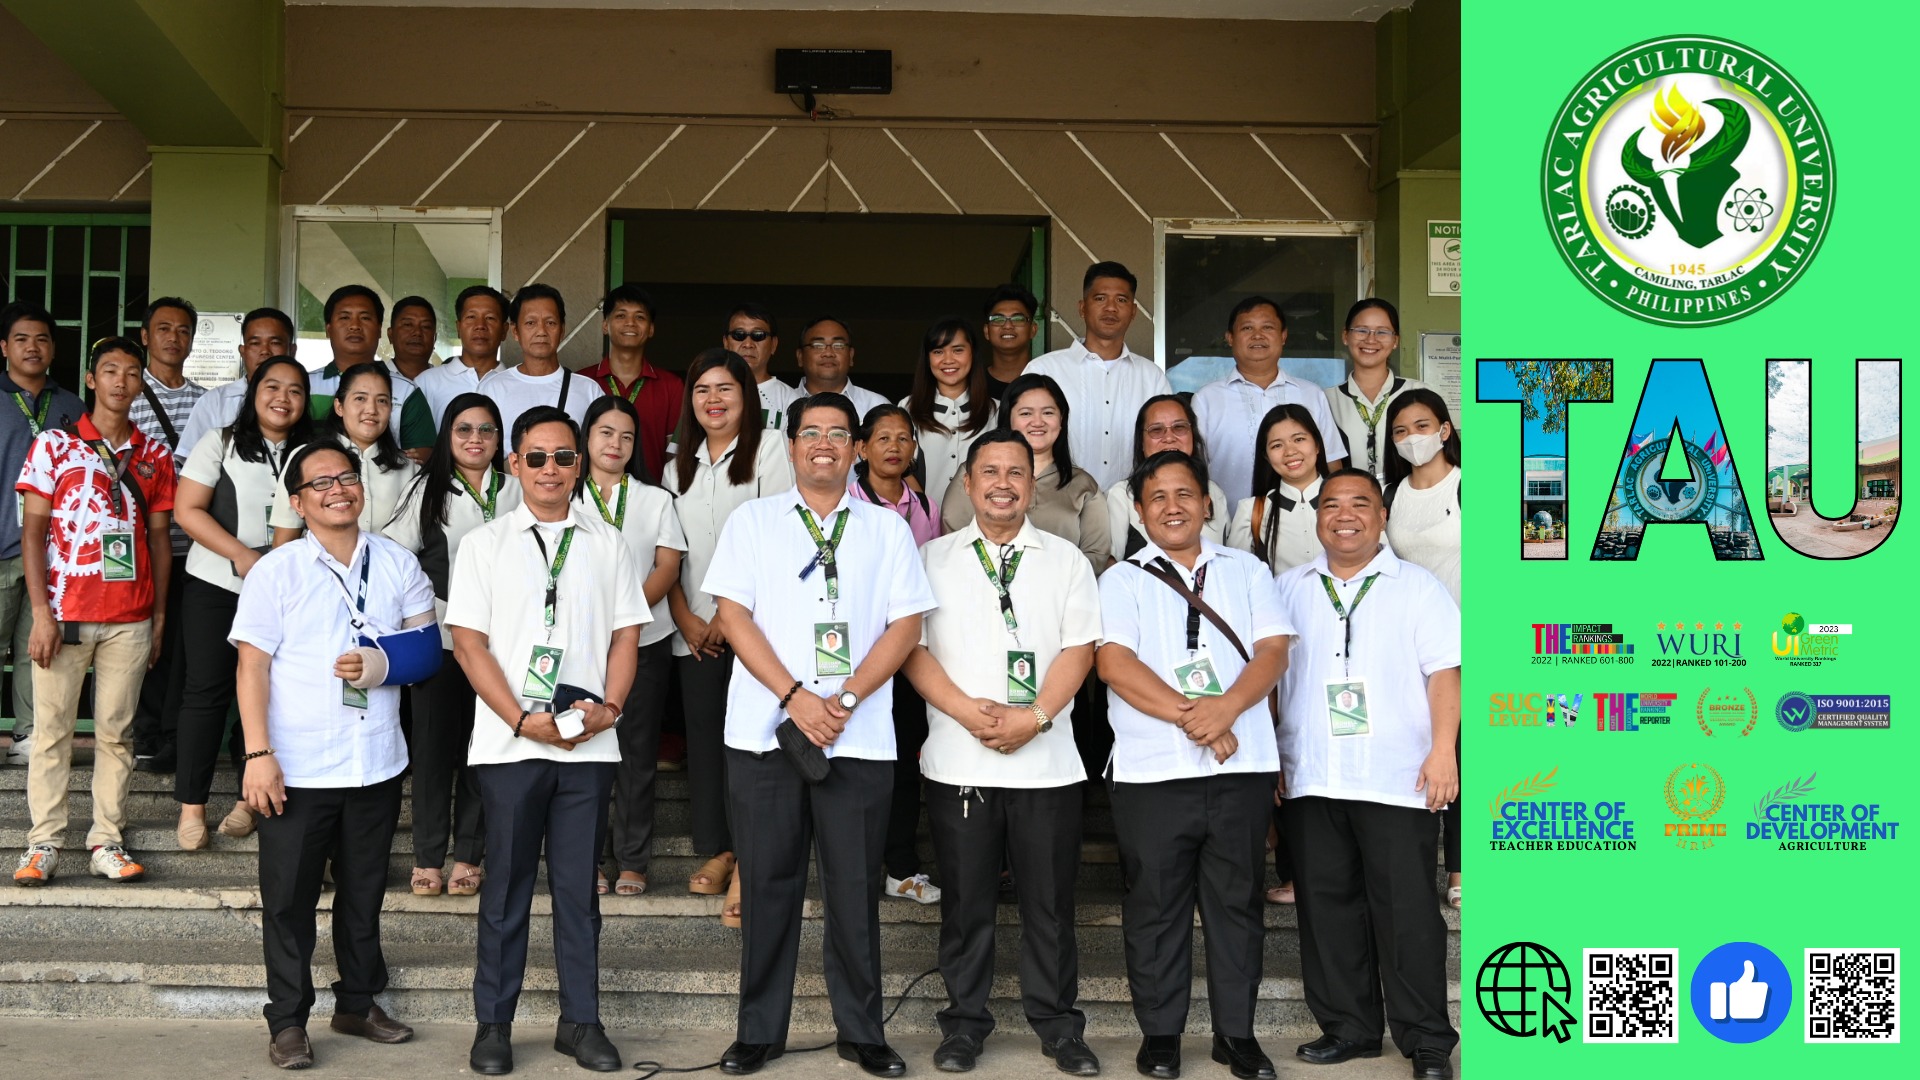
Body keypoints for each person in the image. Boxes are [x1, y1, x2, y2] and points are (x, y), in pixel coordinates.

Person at [704, 391, 936, 1079]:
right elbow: (733, 615)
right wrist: (795, 697)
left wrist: (851, 695)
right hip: (766, 734)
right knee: (768, 885)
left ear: (858, 448)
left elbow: (906, 627)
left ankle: (862, 1033)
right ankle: (758, 1031)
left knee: (855, 889)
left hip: (857, 738)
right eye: (811, 433)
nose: (825, 445)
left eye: (840, 433)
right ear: (791, 445)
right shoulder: (753, 522)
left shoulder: (886, 530)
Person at [448, 405, 648, 1075]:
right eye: (536, 457)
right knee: (503, 889)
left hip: (586, 746)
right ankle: (494, 1025)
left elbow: (626, 635)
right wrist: (518, 718)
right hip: (511, 746)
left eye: (564, 457)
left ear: (580, 465)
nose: (551, 469)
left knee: (577, 894)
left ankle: (580, 1023)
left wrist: (611, 708)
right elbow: (468, 644)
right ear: (514, 464)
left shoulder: (608, 542)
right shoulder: (485, 545)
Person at [904, 428, 1102, 1076]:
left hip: (1047, 767)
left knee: (1049, 907)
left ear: (1031, 483)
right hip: (959, 762)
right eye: (989, 471)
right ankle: (963, 1025)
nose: (1002, 483)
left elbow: (1080, 649)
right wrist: (964, 711)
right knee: (965, 905)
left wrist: (1037, 716)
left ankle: (1058, 1026)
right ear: (966, 483)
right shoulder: (931, 560)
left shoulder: (1066, 559)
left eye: (1016, 472)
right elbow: (912, 649)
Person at [231, 439, 434, 1069]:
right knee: (288, 901)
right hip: (297, 765)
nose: (337, 490)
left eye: (346, 478)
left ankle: (357, 1002)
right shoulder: (277, 570)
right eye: (319, 484)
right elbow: (252, 667)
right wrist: (257, 752)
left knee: (363, 892)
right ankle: (288, 1021)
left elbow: (429, 650)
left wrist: (383, 663)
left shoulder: (397, 562)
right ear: (297, 501)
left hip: (375, 760)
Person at [1096, 449, 1292, 1080]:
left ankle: (1236, 1035)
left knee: (1237, 904)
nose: (1173, 507)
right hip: (1153, 773)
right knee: (1155, 906)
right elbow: (1115, 666)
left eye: (1185, 494)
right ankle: (1161, 1035)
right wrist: (1196, 718)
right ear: (1139, 510)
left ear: (1208, 503)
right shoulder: (1120, 580)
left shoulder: (1247, 571)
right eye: (1158, 498)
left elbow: (1272, 653)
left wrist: (1226, 710)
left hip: (1242, 771)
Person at [1274, 468, 1459, 1080]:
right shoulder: (1288, 587)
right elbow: (1269, 680)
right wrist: (1274, 756)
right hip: (1313, 776)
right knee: (1327, 912)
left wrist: (1443, 752)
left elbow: (1444, 675)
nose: (1344, 515)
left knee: (1407, 915)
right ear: (1316, 516)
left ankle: (1427, 1040)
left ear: (1382, 517)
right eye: (1331, 505)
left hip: (1396, 777)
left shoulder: (1418, 588)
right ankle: (1350, 1029)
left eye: (1360, 504)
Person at [11, 338, 175, 885]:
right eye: (110, 370)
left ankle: (106, 838)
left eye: (131, 372)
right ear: (89, 378)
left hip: (129, 617)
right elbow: (32, 533)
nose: (121, 381)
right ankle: (43, 843)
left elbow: (157, 541)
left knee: (116, 732)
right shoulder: (55, 446)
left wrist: (157, 617)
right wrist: (40, 611)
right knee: (52, 731)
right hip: (62, 613)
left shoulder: (153, 456)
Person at [665, 349, 794, 925]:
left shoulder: (771, 452)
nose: (713, 400)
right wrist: (686, 616)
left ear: (748, 398)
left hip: (757, 627)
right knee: (707, 743)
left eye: (726, 389)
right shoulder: (676, 465)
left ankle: (750, 857)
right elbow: (670, 551)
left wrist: (728, 612)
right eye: (702, 390)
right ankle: (719, 848)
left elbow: (780, 537)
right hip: (692, 628)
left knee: (754, 744)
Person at [383, 393, 523, 897]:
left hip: (504, 645)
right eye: (464, 429)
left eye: (487, 430)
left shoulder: (518, 488)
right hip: (441, 640)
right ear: (447, 435)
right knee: (434, 751)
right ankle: (426, 858)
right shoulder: (427, 488)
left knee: (482, 751)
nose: (475, 439)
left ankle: (469, 856)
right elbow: (397, 558)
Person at [172, 358, 315, 849]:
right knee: (207, 693)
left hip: (286, 592)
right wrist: (242, 556)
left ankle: (244, 801)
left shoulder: (312, 452)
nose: (283, 398)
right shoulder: (221, 441)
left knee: (269, 695)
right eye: (272, 387)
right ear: (253, 393)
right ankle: (192, 808)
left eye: (295, 390)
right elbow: (186, 509)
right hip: (218, 584)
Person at [575, 395, 686, 897]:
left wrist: (624, 619)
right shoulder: (564, 496)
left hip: (645, 640)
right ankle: (589, 858)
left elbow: (666, 567)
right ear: (586, 437)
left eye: (625, 435)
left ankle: (633, 860)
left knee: (637, 754)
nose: (615, 443)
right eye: (605, 432)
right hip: (578, 644)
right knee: (585, 753)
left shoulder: (655, 499)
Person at [847, 404, 940, 905]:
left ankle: (901, 865)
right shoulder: (842, 502)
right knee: (856, 762)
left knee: (904, 761)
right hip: (857, 654)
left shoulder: (924, 507)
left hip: (908, 653)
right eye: (882, 438)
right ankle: (854, 867)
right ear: (861, 448)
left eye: (904, 438)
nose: (894, 447)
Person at [1381, 389, 1462, 912]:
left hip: (1472, 641)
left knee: (1463, 752)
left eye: (1422, 425)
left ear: (1446, 430)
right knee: (1419, 746)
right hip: (1409, 644)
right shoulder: (1388, 494)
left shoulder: (1472, 485)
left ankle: (1460, 869)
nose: (1413, 438)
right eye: (1401, 431)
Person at [0, 301, 85, 766]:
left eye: (42, 339)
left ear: (53, 348)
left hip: (53, 555)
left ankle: (29, 735)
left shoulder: (72, 406)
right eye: (21, 339)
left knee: (40, 647)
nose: (33, 348)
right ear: (4, 347)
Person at [127, 298, 206, 774]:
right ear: (145, 336)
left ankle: (177, 737)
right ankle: (146, 734)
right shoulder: (128, 395)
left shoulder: (206, 400)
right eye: (163, 329)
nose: (173, 338)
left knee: (182, 643)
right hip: (141, 545)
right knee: (144, 641)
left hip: (195, 546)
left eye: (182, 330)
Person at [1190, 296, 1346, 511]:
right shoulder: (1207, 399)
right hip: (1228, 525)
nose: (1257, 335)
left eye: (1268, 327)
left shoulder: (1311, 394)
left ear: (1283, 336)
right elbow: (1193, 468)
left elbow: (1332, 463)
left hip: (1305, 525)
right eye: (1246, 328)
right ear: (1230, 338)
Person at [941, 374, 1108, 574]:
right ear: (1008, 417)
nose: (1037, 422)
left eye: (1048, 413)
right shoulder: (973, 472)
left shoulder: (1082, 484)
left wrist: (1050, 583)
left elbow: (1096, 556)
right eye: (1026, 413)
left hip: (1057, 595)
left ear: (1061, 418)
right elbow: (953, 539)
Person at [1024, 263, 1171, 490]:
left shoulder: (1151, 378)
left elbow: (1165, 446)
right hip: (1057, 503)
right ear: (1082, 308)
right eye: (1100, 298)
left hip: (1132, 506)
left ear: (1133, 312)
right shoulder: (1044, 371)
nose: (1111, 308)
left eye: (1121, 300)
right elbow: (1019, 442)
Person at [269, 363, 420, 545]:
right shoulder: (304, 458)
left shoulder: (408, 468)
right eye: (360, 399)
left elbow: (410, 547)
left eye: (382, 401)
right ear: (339, 406)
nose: (371, 409)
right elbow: (284, 544)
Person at [307, 285, 437, 458]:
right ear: (328, 329)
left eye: (365, 318)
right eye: (345, 317)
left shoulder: (406, 391)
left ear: (379, 329)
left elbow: (421, 458)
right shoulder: (305, 385)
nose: (354, 326)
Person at [581, 284, 684, 482]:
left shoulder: (671, 386)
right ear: (605, 325)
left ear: (651, 328)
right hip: (589, 496)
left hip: (651, 495)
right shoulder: (582, 381)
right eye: (621, 316)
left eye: (640, 317)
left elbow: (675, 454)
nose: (630, 323)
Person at [1106, 395, 1227, 562]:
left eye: (1179, 427)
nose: (1169, 438)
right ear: (1141, 441)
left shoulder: (1213, 491)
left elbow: (1229, 561)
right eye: (1156, 430)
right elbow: (1111, 565)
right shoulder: (1122, 495)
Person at [174, 307, 296, 465]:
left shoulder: (302, 399)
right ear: (243, 351)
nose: (265, 351)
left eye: (275, 342)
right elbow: (193, 465)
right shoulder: (215, 401)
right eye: (255, 343)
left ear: (292, 350)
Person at [1323, 299, 1429, 481]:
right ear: (1345, 336)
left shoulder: (1418, 392)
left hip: (1409, 499)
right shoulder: (1326, 400)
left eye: (1382, 332)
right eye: (1361, 330)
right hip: (1350, 504)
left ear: (1395, 341)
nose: (1371, 339)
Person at [480, 283, 604, 437]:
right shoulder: (493, 389)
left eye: (550, 323)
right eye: (530, 323)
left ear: (562, 330)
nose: (541, 331)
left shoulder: (589, 391)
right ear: (515, 331)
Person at [1228, 405, 1333, 577]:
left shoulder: (1350, 500)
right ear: (1266, 457)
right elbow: (1237, 577)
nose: (1290, 451)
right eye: (1277, 445)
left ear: (1317, 445)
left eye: (1299, 439)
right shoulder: (1252, 511)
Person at [903, 317, 995, 507]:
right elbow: (900, 466)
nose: (948, 360)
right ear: (928, 358)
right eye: (938, 351)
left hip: (981, 523)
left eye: (958, 350)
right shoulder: (907, 408)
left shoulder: (996, 410)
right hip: (923, 523)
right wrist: (926, 510)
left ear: (972, 354)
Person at [414, 286, 508, 428]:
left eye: (490, 318)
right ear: (458, 327)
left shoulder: (516, 384)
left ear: (504, 330)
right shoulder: (427, 382)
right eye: (471, 317)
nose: (480, 326)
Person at [788, 316, 888, 418]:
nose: (828, 353)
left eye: (838, 345)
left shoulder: (877, 406)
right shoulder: (783, 403)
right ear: (800, 357)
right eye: (818, 345)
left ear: (851, 355)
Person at [724, 302, 800, 431]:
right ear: (726, 343)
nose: (748, 344)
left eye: (758, 335)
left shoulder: (791, 400)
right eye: (739, 335)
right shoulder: (706, 393)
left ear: (773, 345)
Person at [981, 284, 1040, 402]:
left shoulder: (1046, 380)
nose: (1008, 326)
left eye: (1017, 319)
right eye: (998, 319)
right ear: (987, 331)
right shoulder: (974, 383)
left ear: (1033, 329)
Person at [387, 296, 439, 381]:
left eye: (425, 326)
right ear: (390, 334)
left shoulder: (447, 382)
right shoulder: (372, 379)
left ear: (435, 338)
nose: (417, 332)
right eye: (407, 325)